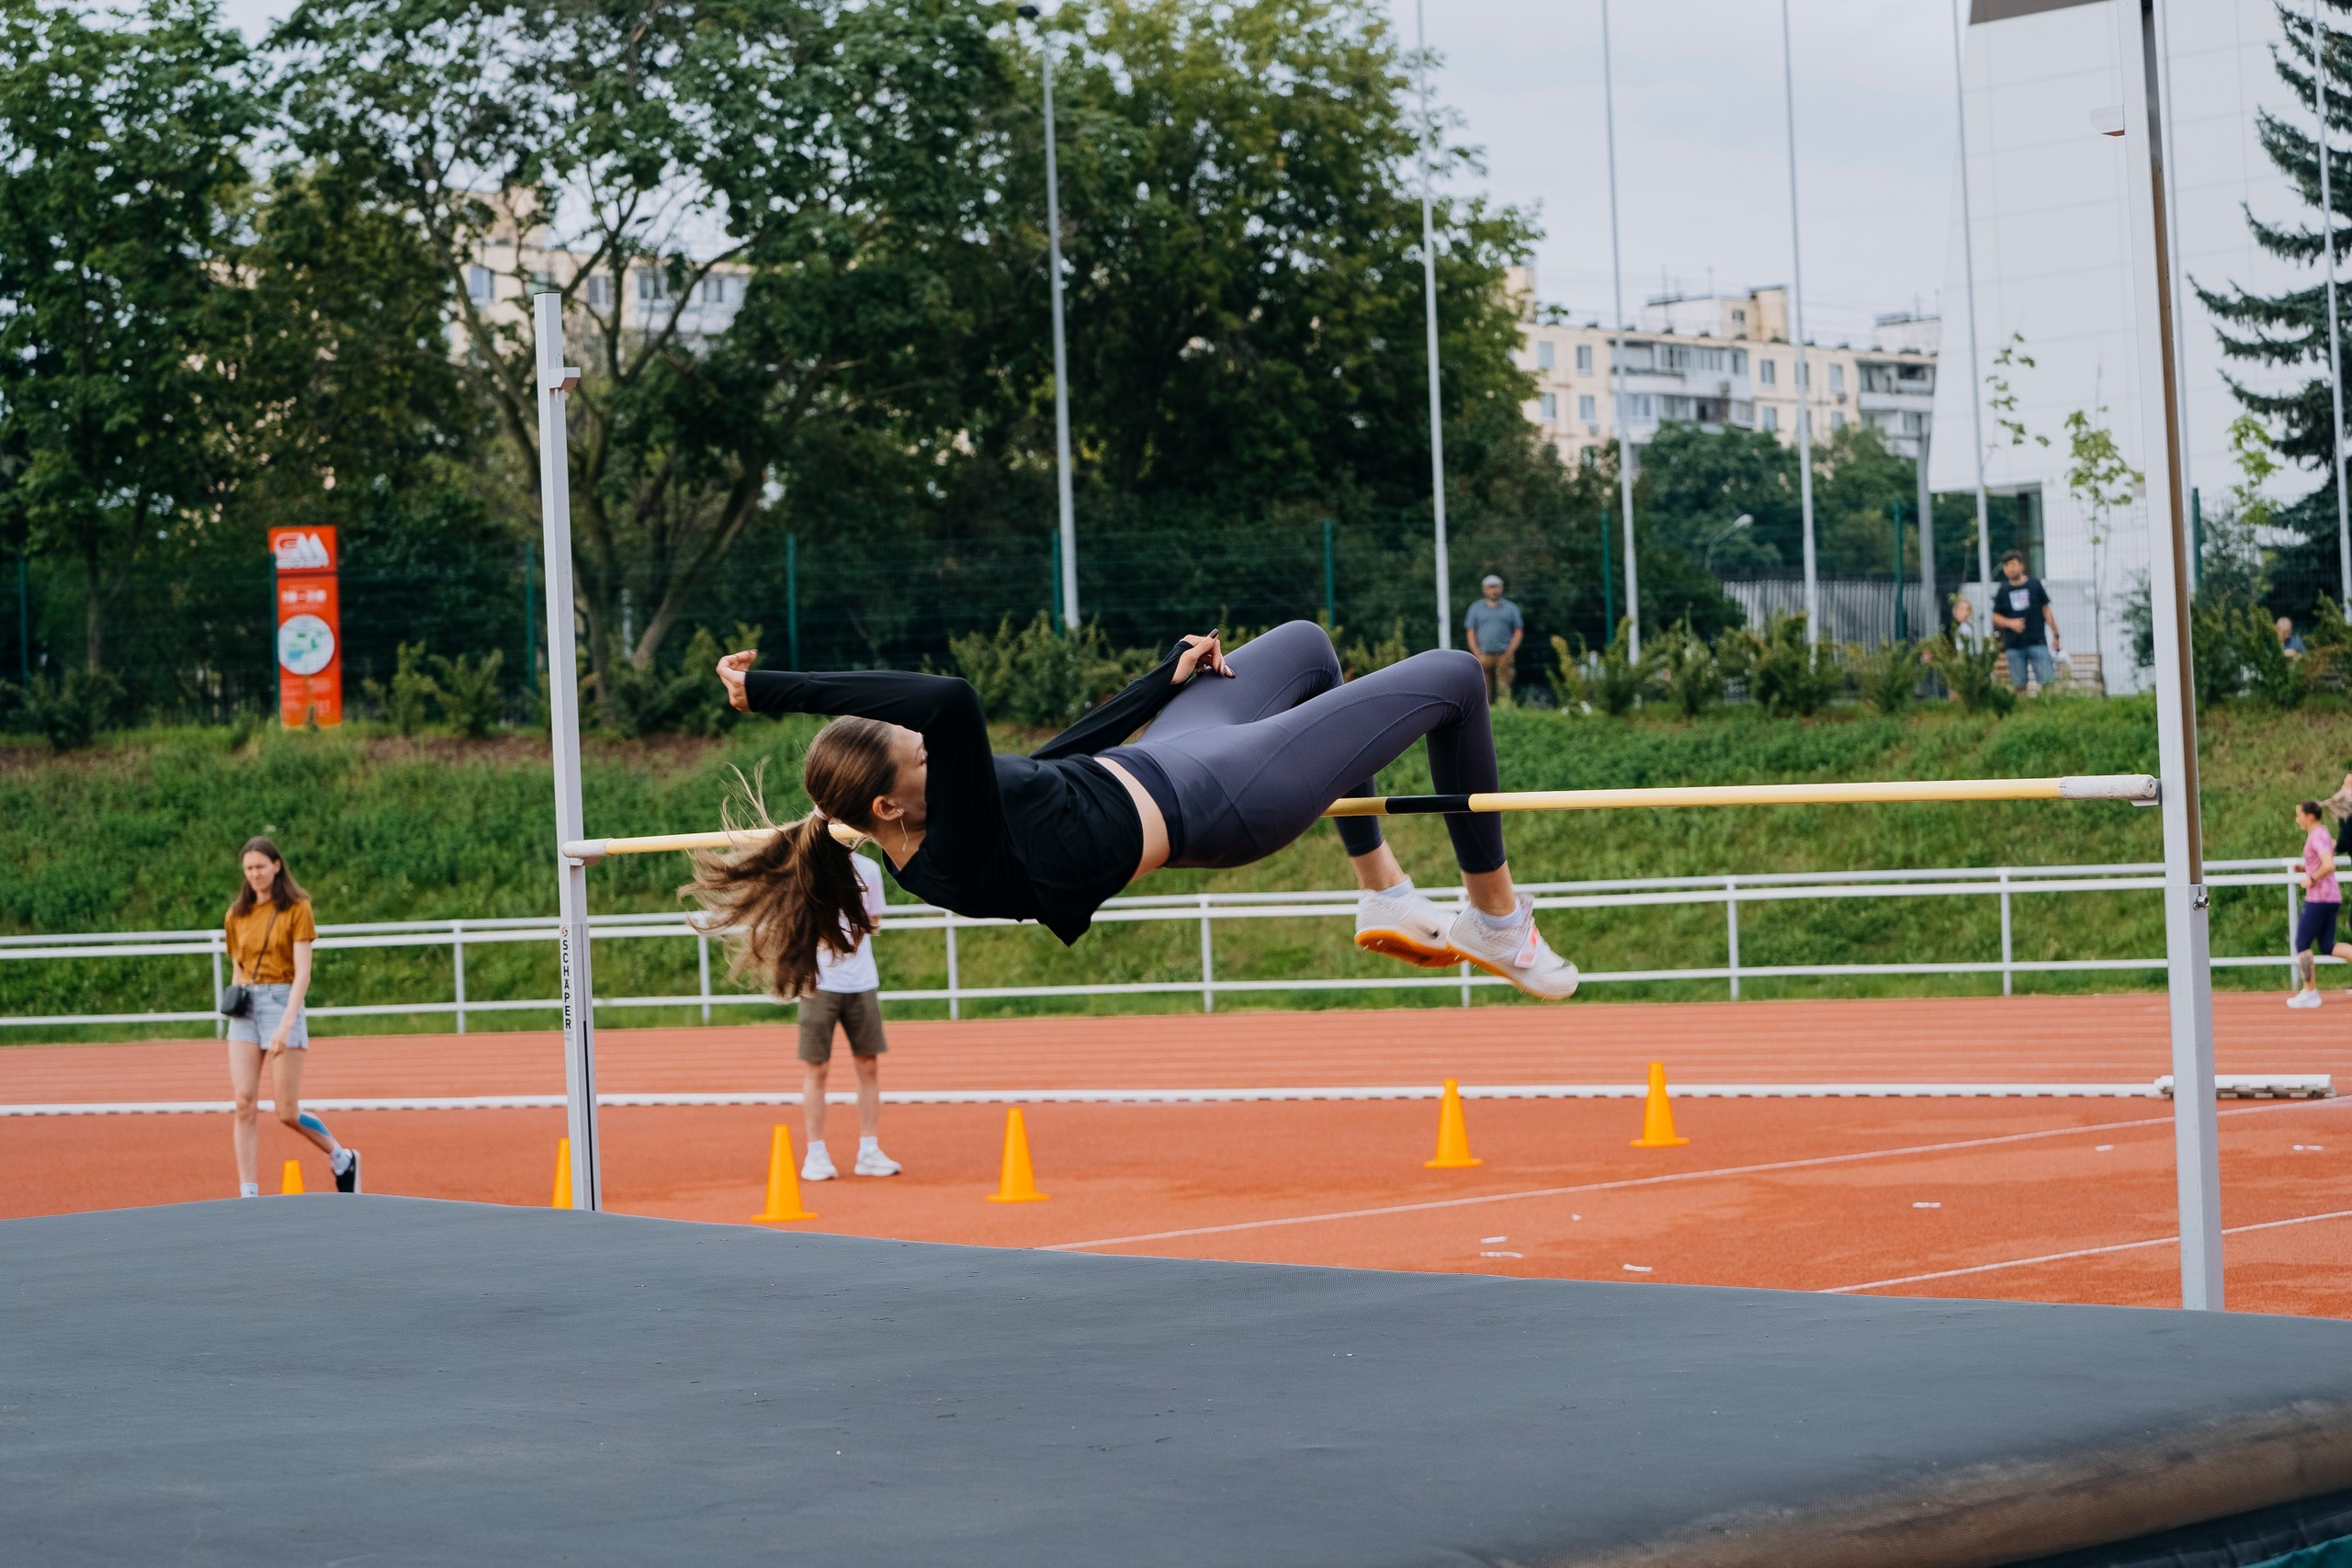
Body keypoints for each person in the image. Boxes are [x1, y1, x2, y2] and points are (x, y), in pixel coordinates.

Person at [692, 620, 1578, 1008]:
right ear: (890, 804)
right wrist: (769, 688)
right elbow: (948, 697)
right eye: (920, 752)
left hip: (1162, 755)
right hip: (1220, 801)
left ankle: (1381, 888)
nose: (937, 749)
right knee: (1457, 679)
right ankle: (1496, 917)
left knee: (1307, 644)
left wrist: (1166, 681)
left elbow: (1055, 765)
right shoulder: (947, 861)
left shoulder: (939, 810)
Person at [222, 838, 359, 1195]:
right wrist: (235, 1001)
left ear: (276, 866)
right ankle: (248, 1193)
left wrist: (285, 1024)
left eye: (260, 867)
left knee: (286, 1111)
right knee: (243, 1102)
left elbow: (303, 974)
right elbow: (238, 965)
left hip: (283, 1001)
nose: (254, 874)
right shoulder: (236, 914)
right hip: (245, 1009)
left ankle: (342, 1158)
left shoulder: (297, 908)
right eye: (249, 869)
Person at [797, 849, 902, 1181]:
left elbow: (873, 921)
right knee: (818, 1068)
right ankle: (815, 1152)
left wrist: (847, 937)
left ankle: (869, 1150)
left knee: (868, 1064)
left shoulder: (868, 869)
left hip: (861, 982)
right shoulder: (810, 867)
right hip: (819, 983)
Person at [2290, 800, 2347, 1009]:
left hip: (2319, 897)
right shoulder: (2322, 833)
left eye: (2299, 815)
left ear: (2310, 815)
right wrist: (2304, 869)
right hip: (2330, 896)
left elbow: (2328, 865)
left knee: (2302, 943)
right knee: (2327, 945)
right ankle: (2309, 992)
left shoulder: (2316, 836)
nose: (2298, 819)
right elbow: (2323, 859)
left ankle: (2310, 992)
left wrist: (2311, 879)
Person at [1990, 550, 2061, 692]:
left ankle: (2049, 709)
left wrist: (2055, 634)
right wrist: (2011, 623)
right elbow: (1995, 616)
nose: (2010, 568)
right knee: (2019, 685)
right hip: (2014, 644)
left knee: (2047, 681)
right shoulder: (2003, 590)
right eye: (2006, 565)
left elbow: (2046, 610)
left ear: (2022, 566)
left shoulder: (2035, 585)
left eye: (2013, 564)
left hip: (2037, 641)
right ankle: (2023, 711)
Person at [1464, 575, 1524, 704]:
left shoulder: (1511, 608)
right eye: (1490, 587)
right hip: (1483, 654)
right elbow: (1471, 632)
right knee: (1483, 689)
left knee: (1504, 687)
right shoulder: (1475, 608)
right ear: (1484, 590)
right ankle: (1487, 714)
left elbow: (1518, 631)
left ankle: (1504, 711)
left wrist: (1510, 651)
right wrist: (1476, 653)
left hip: (1505, 654)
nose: (1493, 591)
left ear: (1501, 588)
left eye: (1496, 587)